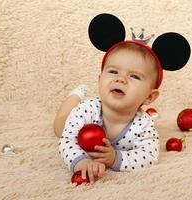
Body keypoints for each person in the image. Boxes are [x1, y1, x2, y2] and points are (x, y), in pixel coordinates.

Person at [54, 41, 161, 183]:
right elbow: (67, 141)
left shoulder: (144, 125)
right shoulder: (86, 110)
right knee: (59, 126)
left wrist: (115, 158)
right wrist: (81, 161)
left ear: (149, 96)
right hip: (70, 121)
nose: (120, 79)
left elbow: (149, 156)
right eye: (113, 71)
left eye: (134, 76)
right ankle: (75, 96)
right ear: (100, 80)